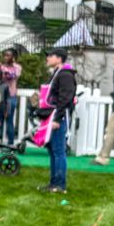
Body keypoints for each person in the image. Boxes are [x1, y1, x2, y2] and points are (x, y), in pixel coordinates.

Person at [37, 48, 76, 193]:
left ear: (59, 59)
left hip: (58, 117)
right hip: (52, 116)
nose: (47, 59)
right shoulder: (56, 74)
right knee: (53, 151)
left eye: (50, 56)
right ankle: (53, 183)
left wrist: (58, 119)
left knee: (59, 151)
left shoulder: (65, 75)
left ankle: (60, 185)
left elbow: (65, 99)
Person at [0, 48, 22, 144]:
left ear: (13, 57)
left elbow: (12, 76)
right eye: (5, 55)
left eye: (8, 55)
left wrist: (2, 68)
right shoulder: (1, 67)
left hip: (11, 97)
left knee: (9, 120)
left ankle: (10, 144)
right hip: (1, 96)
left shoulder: (17, 67)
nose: (5, 57)